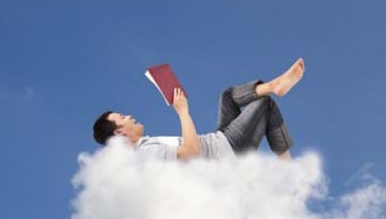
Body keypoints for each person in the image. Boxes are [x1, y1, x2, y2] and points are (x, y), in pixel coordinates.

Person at [92, 58, 305, 161]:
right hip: (227, 152)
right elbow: (191, 152)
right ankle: (286, 166)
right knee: (264, 105)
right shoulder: (147, 152)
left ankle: (274, 85)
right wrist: (182, 111)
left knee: (227, 96)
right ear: (120, 132)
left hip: (219, 141)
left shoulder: (145, 147)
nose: (129, 116)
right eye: (122, 117)